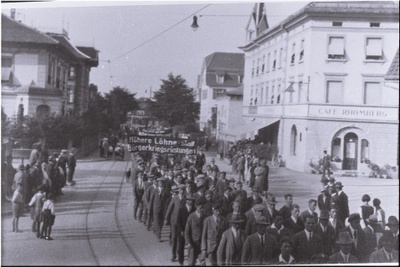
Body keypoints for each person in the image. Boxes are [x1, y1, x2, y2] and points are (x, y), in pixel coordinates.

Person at [166, 184, 186, 262]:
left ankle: (179, 253)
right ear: (178, 191)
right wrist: (166, 218)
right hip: (174, 221)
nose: (182, 191)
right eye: (181, 190)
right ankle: (173, 254)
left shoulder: (186, 198)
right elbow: (169, 208)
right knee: (174, 238)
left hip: (182, 222)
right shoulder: (175, 198)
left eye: (183, 190)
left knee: (180, 239)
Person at [185, 198, 207, 266]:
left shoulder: (205, 217)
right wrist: (188, 242)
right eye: (201, 208)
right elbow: (187, 231)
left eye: (203, 208)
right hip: (193, 243)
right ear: (196, 207)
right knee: (191, 262)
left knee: (202, 262)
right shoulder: (191, 217)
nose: (202, 210)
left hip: (202, 243)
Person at [176, 196, 195, 266]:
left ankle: (191, 261)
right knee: (181, 247)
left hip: (191, 231)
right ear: (186, 200)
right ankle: (181, 262)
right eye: (189, 200)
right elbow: (178, 221)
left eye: (192, 200)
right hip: (182, 231)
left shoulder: (194, 209)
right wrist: (181, 230)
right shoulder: (181, 209)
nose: (191, 202)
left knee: (191, 247)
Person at [153, 177, 170, 242]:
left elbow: (169, 199)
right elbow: (151, 200)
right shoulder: (155, 190)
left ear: (163, 183)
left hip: (163, 209)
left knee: (161, 222)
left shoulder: (166, 191)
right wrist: (149, 208)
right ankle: (158, 236)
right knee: (157, 222)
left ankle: (157, 231)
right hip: (156, 209)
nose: (160, 184)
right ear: (158, 183)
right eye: (159, 182)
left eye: (162, 183)